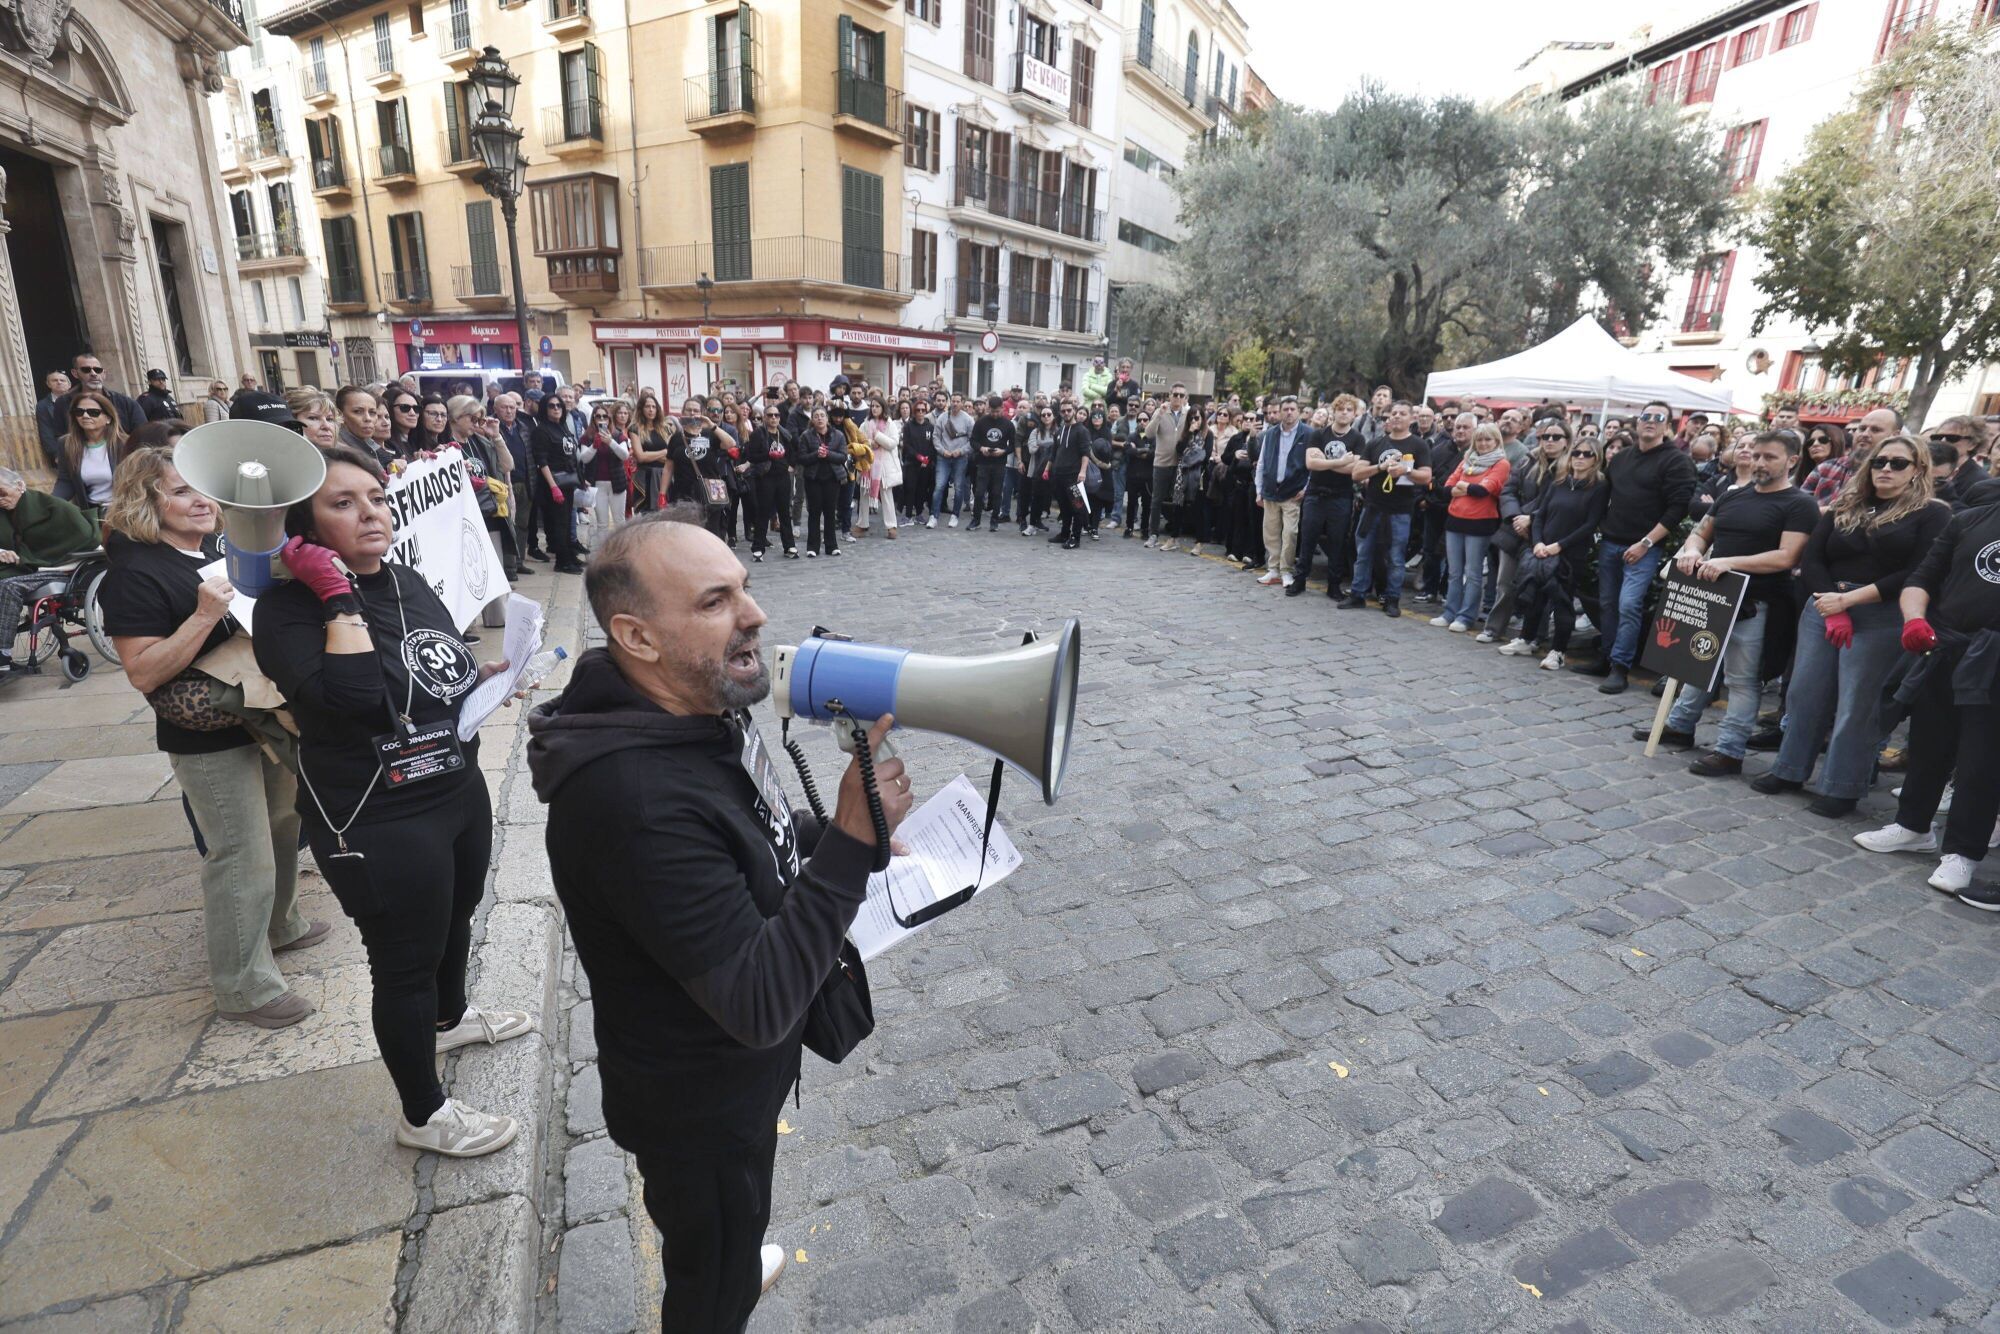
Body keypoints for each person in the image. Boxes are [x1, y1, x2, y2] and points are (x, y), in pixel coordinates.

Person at [528, 514, 911, 1330]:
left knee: (730, 1230)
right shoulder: (633, 800)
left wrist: (825, 839)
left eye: (744, 586)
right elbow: (761, 1001)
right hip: (699, 1105)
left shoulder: (689, 709)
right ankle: (722, 1286)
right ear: (637, 636)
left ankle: (733, 1258)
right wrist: (846, 844)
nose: (754, 613)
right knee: (709, 1276)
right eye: (715, 600)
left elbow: (749, 837)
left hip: (729, 1079)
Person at [254, 444, 532, 1155]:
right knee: (403, 960)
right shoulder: (287, 610)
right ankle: (423, 1113)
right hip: (375, 812)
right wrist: (337, 596)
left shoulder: (406, 576)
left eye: (375, 498)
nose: (370, 513)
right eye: (342, 504)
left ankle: (451, 1016)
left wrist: (484, 677)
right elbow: (350, 700)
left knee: (458, 911)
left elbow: (434, 662)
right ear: (302, 527)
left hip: (452, 785)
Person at [100, 447, 325, 1027]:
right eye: (180, 492)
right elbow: (143, 672)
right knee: (239, 852)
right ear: (143, 500)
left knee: (283, 825)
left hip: (258, 711)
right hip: (205, 734)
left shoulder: (211, 550)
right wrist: (202, 616)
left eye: (204, 491)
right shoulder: (133, 572)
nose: (200, 501)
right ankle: (244, 987)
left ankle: (282, 925)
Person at [1756, 434, 1948, 817]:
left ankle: (1842, 786)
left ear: (1918, 470)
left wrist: (1850, 601)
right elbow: (1812, 559)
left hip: (1880, 613)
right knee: (1804, 693)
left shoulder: (1932, 512)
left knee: (1856, 704)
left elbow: (1918, 571)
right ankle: (1790, 769)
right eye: (1880, 461)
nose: (1886, 469)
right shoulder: (1847, 503)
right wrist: (1833, 605)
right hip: (1825, 605)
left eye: (1898, 463)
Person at [1854, 469, 2000, 903]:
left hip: (1995, 662)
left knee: (1981, 762)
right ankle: (1913, 826)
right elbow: (1922, 578)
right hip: (1947, 646)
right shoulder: (1969, 520)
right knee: (1928, 743)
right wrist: (1915, 619)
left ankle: (1963, 854)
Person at [1649, 432, 1816, 775]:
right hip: (1714, 594)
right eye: (1756, 455)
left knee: (1741, 679)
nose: (1759, 462)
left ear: (1792, 461)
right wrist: (1694, 550)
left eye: (1769, 457)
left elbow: (1787, 557)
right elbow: (1701, 530)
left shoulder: (1799, 504)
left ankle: (1730, 750)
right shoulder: (1732, 496)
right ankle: (1680, 726)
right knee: (1698, 661)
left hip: (1759, 601)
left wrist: (1729, 562)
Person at [1572, 400, 1699, 695]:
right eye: (1646, 417)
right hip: (1611, 542)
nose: (1650, 422)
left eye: (1658, 418)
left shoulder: (1676, 460)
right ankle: (1606, 657)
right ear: (1638, 421)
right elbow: (1606, 495)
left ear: (1668, 425)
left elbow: (1677, 509)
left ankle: (1620, 667)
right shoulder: (1622, 457)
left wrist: (1645, 543)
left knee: (1629, 605)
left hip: (1645, 547)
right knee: (1607, 604)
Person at [1508, 435, 1608, 669]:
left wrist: (1558, 546)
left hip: (1569, 555)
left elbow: (1590, 524)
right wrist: (1538, 542)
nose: (1580, 458)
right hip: (1543, 549)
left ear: (1596, 459)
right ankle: (1526, 638)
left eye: (1587, 454)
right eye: (1576, 453)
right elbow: (1540, 514)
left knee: (1562, 602)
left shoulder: (1599, 487)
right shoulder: (1559, 482)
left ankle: (1558, 651)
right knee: (1535, 596)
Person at [0, 469, 100, 680]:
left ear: (20, 486)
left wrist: (25, 557)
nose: (0, 500)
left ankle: (3, 657)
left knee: (9, 586)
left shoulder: (52, 507)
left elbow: (82, 535)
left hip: (58, 568)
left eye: (2, 493)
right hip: (25, 568)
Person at [1340, 402, 1432, 618]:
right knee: (1363, 553)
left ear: (1411, 418)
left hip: (1400, 511)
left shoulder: (1418, 445)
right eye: (1394, 413)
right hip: (1372, 508)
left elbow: (1426, 476)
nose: (1397, 417)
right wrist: (1380, 467)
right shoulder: (1375, 444)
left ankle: (1392, 599)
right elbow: (1357, 474)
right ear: (1388, 418)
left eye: (1402, 413)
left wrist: (1405, 471)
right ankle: (1358, 594)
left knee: (1396, 557)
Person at [1482, 417, 1567, 643]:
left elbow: (1556, 501)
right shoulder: (1528, 460)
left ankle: (1533, 636)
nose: (1549, 441)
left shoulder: (1569, 468)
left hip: (1544, 534)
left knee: (1537, 585)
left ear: (1567, 441)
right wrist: (1515, 517)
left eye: (1556, 437)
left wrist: (1531, 517)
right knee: (1504, 583)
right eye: (1545, 436)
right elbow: (1509, 490)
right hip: (1513, 529)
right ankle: (1494, 627)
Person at [1433, 422, 1511, 631]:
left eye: (1488, 439)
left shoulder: (1501, 463)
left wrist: (1464, 486)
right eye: (1480, 439)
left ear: (1497, 441)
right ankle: (1450, 612)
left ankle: (1466, 616)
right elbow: (1446, 487)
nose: (1483, 444)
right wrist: (1465, 488)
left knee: (1474, 573)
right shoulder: (1467, 458)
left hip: (1481, 523)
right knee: (1455, 572)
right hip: (1455, 520)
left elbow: (1484, 490)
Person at [1292, 395, 1361, 595]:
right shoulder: (1318, 435)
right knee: (1308, 538)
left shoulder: (1357, 438)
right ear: (1334, 411)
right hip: (1315, 494)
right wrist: (1340, 462)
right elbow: (1311, 464)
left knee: (1337, 541)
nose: (1344, 413)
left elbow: (1354, 469)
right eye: (1341, 409)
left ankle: (1334, 585)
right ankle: (1300, 580)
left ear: (1354, 413)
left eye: (1349, 409)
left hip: (1341, 496)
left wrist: (1326, 462)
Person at [41, 351, 143, 466]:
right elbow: (59, 434)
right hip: (81, 463)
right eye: (86, 370)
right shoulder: (63, 403)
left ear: (104, 374)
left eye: (97, 370)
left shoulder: (125, 402)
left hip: (123, 463)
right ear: (75, 373)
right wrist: (59, 456)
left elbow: (142, 433)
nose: (93, 373)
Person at [54, 387, 129, 518]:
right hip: (91, 513)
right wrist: (51, 503)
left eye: (93, 412)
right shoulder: (66, 444)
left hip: (124, 511)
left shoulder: (125, 443)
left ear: (108, 418)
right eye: (79, 412)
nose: (85, 416)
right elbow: (65, 481)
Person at [530, 392, 584, 574]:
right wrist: (553, 486)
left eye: (558, 405)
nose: (556, 409)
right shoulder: (542, 430)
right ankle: (562, 561)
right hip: (553, 482)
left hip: (567, 480)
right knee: (559, 523)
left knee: (567, 521)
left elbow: (570, 454)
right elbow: (542, 460)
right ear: (545, 409)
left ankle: (569, 555)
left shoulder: (562, 428)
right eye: (552, 406)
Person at [1805, 407, 1899, 507]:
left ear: (1895, 435)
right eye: (1862, 429)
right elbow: (1799, 507)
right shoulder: (1826, 468)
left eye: (1876, 430)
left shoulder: (1898, 474)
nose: (1865, 434)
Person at [744, 404, 796, 561]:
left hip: (782, 477)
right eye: (770, 415)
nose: (774, 418)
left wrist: (790, 465)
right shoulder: (758, 434)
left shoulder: (784, 433)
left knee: (784, 513)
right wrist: (768, 455)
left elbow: (794, 451)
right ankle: (758, 548)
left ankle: (789, 546)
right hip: (765, 477)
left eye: (776, 415)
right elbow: (751, 456)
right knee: (763, 513)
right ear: (765, 417)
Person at [1145, 385, 1191, 549]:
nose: (1178, 397)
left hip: (1180, 464)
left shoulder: (1188, 414)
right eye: (1175, 394)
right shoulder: (1161, 411)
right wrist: (1159, 415)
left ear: (1185, 398)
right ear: (1169, 396)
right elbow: (1149, 434)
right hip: (1162, 463)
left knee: (1178, 501)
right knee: (1157, 500)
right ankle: (1153, 534)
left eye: (1181, 395)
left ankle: (1174, 536)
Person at [798, 406, 846, 558]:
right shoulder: (806, 436)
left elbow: (842, 457)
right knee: (814, 512)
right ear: (812, 419)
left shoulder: (838, 435)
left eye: (822, 415)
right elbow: (802, 458)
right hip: (813, 479)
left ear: (827, 418)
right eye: (816, 416)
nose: (819, 418)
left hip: (832, 479)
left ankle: (832, 546)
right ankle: (813, 547)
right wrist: (816, 455)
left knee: (830, 512)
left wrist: (828, 454)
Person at [578, 402, 630, 538]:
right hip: (597, 484)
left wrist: (610, 442)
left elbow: (625, 455)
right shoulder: (587, 437)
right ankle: (603, 553)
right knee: (602, 523)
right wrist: (594, 446)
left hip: (617, 483)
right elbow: (584, 459)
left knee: (620, 521)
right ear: (593, 419)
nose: (602, 420)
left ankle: (621, 552)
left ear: (609, 419)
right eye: (598, 416)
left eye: (605, 417)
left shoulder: (618, 435)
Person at [854, 399, 900, 540]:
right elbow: (858, 440)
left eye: (877, 406)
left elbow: (893, 443)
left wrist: (878, 437)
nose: (874, 409)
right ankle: (862, 524)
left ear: (883, 407)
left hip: (884, 466)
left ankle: (891, 526)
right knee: (864, 493)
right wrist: (869, 443)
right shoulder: (865, 424)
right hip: (868, 465)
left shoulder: (889, 423)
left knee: (887, 496)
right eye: (872, 406)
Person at [968, 396, 1012, 532]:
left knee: (997, 493)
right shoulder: (981, 422)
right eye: (992, 411)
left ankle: (994, 521)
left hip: (999, 462)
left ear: (1002, 409)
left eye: (998, 411)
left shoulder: (1008, 424)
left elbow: (1014, 444)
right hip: (983, 462)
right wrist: (981, 448)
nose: (995, 414)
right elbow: (973, 441)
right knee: (979, 492)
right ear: (989, 409)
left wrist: (1003, 451)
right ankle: (976, 520)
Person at [631, 391, 673, 515]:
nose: (651, 410)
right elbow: (640, 457)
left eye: (653, 407)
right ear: (641, 409)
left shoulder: (666, 428)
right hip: (645, 478)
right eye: (647, 406)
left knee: (666, 514)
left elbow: (671, 456)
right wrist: (664, 452)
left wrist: (649, 454)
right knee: (648, 516)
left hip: (665, 476)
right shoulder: (635, 428)